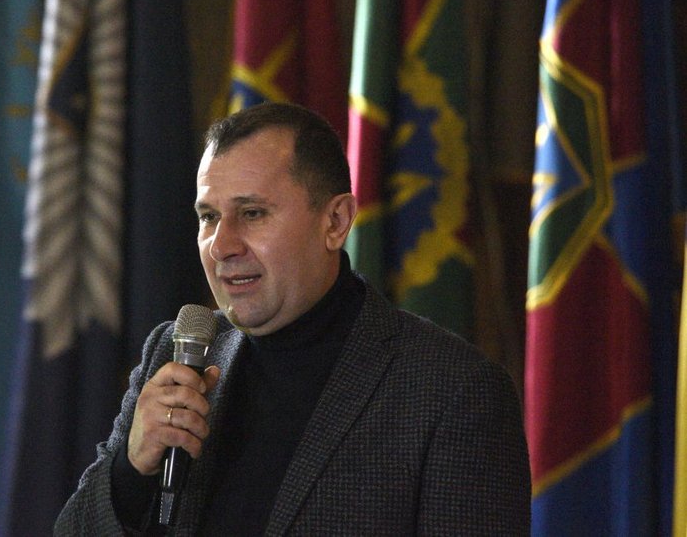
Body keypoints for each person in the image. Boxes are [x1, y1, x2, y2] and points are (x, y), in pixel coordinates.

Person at [54, 102, 530, 535]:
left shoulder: (453, 391)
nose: (221, 246)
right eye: (209, 217)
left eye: (252, 213)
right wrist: (131, 472)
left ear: (335, 222)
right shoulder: (176, 352)